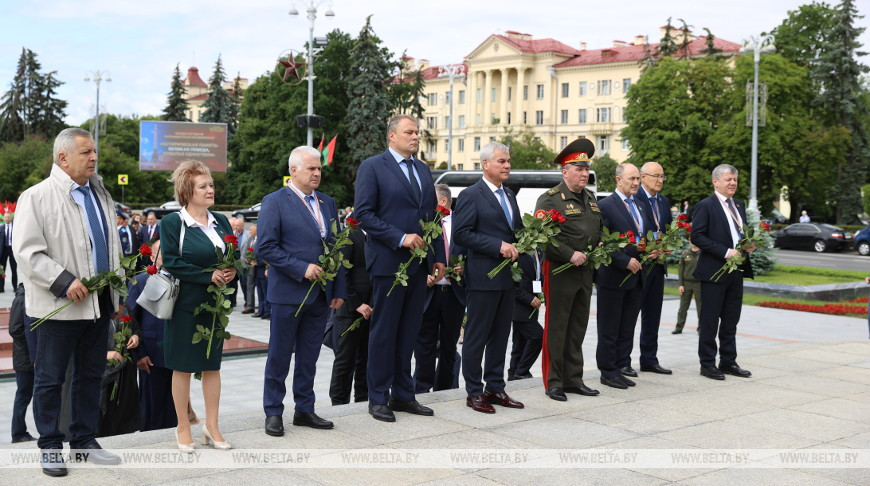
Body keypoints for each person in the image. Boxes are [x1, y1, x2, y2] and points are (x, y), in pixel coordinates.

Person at [14, 127, 124, 476]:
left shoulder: (100, 195)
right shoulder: (36, 196)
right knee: (50, 380)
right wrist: (63, 281)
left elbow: (111, 247)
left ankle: (84, 441)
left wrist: (117, 292)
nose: (94, 158)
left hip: (98, 305)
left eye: (95, 152)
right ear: (62, 158)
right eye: (86, 153)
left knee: (90, 376)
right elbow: (28, 252)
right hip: (55, 308)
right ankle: (49, 447)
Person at [353, 114, 446, 422]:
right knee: (384, 332)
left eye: (417, 132)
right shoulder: (373, 167)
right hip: (389, 263)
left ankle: (403, 395)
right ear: (392, 136)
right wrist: (400, 237)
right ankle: (378, 396)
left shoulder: (421, 168)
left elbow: (431, 217)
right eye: (410, 132)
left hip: (418, 266)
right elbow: (364, 214)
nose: (416, 136)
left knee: (409, 332)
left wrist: (437, 255)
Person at [259, 146, 346, 436]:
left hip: (320, 295)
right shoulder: (275, 201)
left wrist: (338, 288)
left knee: (309, 356)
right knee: (280, 355)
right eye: (311, 168)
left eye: (319, 168)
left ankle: (304, 409)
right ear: (293, 170)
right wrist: (301, 267)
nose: (317, 173)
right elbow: (266, 247)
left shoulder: (327, 202)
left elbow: (336, 247)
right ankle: (273, 411)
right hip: (288, 293)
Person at [160, 160, 236, 451]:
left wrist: (231, 271)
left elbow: (233, 255)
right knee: (181, 368)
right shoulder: (172, 223)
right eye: (202, 186)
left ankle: (212, 426)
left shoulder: (222, 221)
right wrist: (208, 275)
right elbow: (172, 261)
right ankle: (182, 426)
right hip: (184, 306)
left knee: (211, 367)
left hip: (216, 306)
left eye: (211, 185)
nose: (210, 190)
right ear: (186, 191)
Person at [453, 141, 525, 414]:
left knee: (500, 335)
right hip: (483, 277)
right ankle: (474, 392)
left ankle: (495, 387)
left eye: (508, 161)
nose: (507, 166)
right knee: (477, 336)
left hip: (507, 278)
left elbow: (514, 232)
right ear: (485, 164)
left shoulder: (510, 195)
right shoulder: (472, 194)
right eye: (501, 161)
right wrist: (497, 246)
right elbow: (462, 234)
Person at [534, 138, 602, 401]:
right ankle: (554, 382)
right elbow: (542, 239)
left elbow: (596, 229)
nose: (584, 174)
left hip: (585, 273)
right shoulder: (550, 199)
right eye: (578, 169)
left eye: (586, 169)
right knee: (557, 327)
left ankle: (573, 379)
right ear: (565, 172)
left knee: (578, 327)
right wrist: (568, 254)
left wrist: (601, 243)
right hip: (560, 272)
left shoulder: (591, 199)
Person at [691, 164, 755, 380]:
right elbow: (697, 237)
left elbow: (738, 233)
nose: (733, 183)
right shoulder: (705, 206)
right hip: (714, 272)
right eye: (728, 179)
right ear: (715, 182)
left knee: (731, 319)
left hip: (736, 272)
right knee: (710, 320)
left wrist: (749, 245)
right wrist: (726, 252)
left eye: (735, 179)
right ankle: (707, 364)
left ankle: (728, 361)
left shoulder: (738, 205)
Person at [595, 163, 654, 390]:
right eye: (632, 179)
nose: (636, 183)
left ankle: (620, 367)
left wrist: (651, 250)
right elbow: (601, 241)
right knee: (609, 327)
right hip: (613, 277)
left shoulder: (639, 205)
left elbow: (642, 237)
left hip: (637, 276)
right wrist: (623, 260)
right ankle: (607, 371)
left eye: (638, 179)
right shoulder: (605, 206)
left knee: (627, 326)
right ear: (618, 179)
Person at [414, 184, 466, 393]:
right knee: (423, 345)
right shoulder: (423, 223)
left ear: (443, 202)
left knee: (449, 345)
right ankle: (421, 388)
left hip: (453, 294)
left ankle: (444, 389)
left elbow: (472, 250)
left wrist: (466, 268)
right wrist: (421, 275)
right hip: (429, 293)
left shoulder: (462, 224)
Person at [127, 240, 179, 431]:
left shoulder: (182, 280)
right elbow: (130, 319)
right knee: (151, 407)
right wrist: (139, 354)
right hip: (151, 355)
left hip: (177, 353)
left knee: (174, 406)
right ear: (152, 256)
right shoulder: (141, 281)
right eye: (164, 252)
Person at [631, 161, 673, 375]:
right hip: (639, 266)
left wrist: (667, 247)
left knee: (653, 316)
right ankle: (623, 361)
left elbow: (665, 231)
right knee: (630, 316)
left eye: (662, 176)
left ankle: (649, 358)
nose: (660, 180)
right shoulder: (634, 199)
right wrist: (646, 250)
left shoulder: (664, 202)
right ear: (643, 176)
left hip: (658, 266)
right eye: (656, 176)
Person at [329, 220, 371, 405]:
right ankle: (339, 402)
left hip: (372, 308)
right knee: (345, 359)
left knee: (367, 359)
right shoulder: (350, 234)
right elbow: (342, 272)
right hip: (351, 309)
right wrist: (357, 304)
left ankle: (363, 398)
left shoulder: (378, 235)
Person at [97, 314, 141, 437]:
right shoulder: (93, 309)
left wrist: (136, 337)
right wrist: (104, 354)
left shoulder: (124, 307)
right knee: (100, 420)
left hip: (123, 372)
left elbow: (136, 328)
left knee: (121, 419)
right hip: (102, 373)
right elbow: (82, 343)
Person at [508, 249, 543, 382]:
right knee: (538, 336)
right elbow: (512, 283)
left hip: (532, 304)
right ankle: (522, 371)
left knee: (519, 342)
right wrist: (527, 298)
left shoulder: (539, 251)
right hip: (519, 305)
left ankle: (513, 374)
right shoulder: (519, 251)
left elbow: (538, 276)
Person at [10, 283, 35, 442]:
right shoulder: (21, 298)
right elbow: (15, 329)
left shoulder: (28, 294)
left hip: (28, 356)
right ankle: (18, 433)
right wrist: (32, 350)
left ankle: (20, 432)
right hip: (24, 358)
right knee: (23, 395)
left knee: (25, 395)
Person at [674, 240, 702, 334]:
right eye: (691, 239)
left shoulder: (703, 254)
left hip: (699, 284)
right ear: (689, 241)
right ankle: (679, 327)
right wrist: (680, 284)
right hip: (686, 284)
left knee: (701, 307)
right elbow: (680, 270)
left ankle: (701, 328)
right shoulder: (685, 254)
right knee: (683, 307)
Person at [250, 224, 271, 319]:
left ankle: (267, 312)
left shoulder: (261, 241)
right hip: (256, 272)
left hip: (262, 271)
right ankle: (261, 311)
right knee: (259, 293)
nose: (250, 231)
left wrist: (257, 263)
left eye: (251, 230)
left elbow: (266, 257)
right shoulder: (253, 240)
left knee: (265, 292)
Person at [238, 219, 255, 314]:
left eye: (238, 225)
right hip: (239, 265)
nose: (236, 227)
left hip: (249, 265)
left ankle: (249, 305)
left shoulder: (248, 235)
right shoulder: (234, 234)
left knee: (249, 285)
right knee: (243, 284)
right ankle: (247, 303)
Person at [228, 218, 245, 308]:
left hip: (242, 263)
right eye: (234, 225)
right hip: (230, 263)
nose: (235, 227)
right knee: (231, 283)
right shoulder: (230, 234)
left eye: (237, 225)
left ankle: (235, 301)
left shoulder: (246, 235)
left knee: (242, 284)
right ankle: (230, 301)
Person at [0, 206, 18, 292]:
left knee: (14, 269)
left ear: (11, 217)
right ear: (4, 218)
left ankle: (15, 287)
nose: (7, 218)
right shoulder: (1, 228)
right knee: (2, 269)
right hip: (3, 251)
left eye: (8, 217)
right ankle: (1, 287)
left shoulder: (15, 227)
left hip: (12, 250)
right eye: (6, 217)